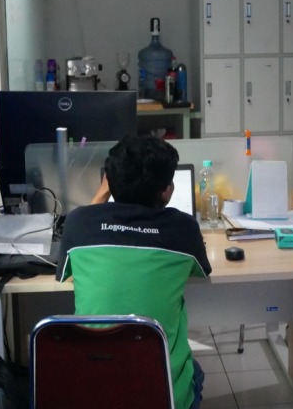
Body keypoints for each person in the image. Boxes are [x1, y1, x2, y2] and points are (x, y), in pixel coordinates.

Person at [56, 135, 212, 409]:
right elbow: (201, 272)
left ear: (109, 181)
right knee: (196, 371)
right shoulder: (184, 229)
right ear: (167, 191)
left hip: (94, 394)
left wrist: (104, 192)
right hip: (163, 397)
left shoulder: (78, 223)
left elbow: (65, 273)